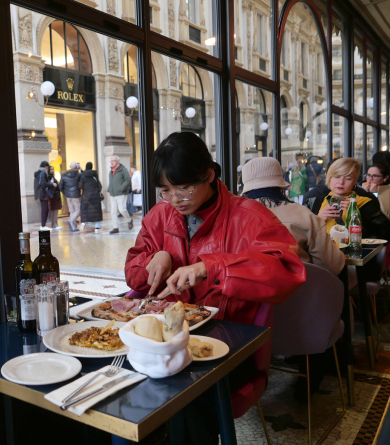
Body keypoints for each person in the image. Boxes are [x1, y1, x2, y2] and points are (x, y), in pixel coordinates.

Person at [125, 132, 305, 444]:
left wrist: (215, 266)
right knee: (120, 386)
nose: (174, 199)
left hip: (230, 344)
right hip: (168, 341)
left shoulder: (249, 216)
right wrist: (157, 256)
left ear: (208, 175)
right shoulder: (160, 216)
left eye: (183, 187)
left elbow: (286, 273)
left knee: (186, 396)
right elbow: (133, 275)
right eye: (165, 191)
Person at [243, 157, 345, 275]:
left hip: (245, 291)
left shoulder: (231, 218)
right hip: (299, 291)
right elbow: (333, 265)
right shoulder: (304, 215)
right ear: (281, 186)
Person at [304, 157, 390, 280]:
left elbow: (387, 233)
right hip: (319, 259)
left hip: (354, 263)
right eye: (336, 177)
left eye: (347, 178)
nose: (340, 182)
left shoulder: (366, 202)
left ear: (354, 182)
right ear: (329, 178)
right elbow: (302, 234)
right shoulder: (314, 202)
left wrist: (356, 214)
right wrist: (317, 219)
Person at [107, 155, 133, 234]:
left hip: (121, 193)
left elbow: (128, 179)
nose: (111, 162)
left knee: (122, 210)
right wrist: (109, 188)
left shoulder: (123, 169)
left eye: (113, 160)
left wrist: (122, 188)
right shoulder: (111, 171)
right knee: (113, 212)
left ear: (117, 161)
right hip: (113, 194)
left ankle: (129, 220)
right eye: (110, 161)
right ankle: (115, 228)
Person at [78, 162, 103, 232]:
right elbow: (99, 185)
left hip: (86, 196)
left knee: (85, 210)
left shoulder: (83, 175)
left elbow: (80, 186)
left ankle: (83, 222)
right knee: (96, 211)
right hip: (95, 195)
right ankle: (97, 227)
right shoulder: (94, 175)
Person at [58, 162, 82, 232]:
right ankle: (71, 221)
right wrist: (81, 169)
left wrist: (65, 193)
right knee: (78, 210)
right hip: (75, 195)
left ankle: (73, 227)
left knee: (72, 211)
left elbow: (60, 186)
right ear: (76, 167)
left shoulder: (64, 175)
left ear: (69, 166)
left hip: (68, 195)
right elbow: (84, 176)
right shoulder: (79, 174)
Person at [34, 161, 53, 230]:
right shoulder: (42, 173)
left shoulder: (38, 173)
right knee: (44, 209)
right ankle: (43, 226)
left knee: (45, 209)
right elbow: (43, 183)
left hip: (40, 193)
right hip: (43, 193)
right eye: (47, 167)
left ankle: (43, 225)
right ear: (45, 167)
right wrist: (51, 184)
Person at [47, 165, 62, 230]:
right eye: (51, 169)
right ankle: (54, 225)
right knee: (54, 211)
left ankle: (55, 224)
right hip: (53, 196)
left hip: (55, 195)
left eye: (53, 169)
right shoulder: (50, 178)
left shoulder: (52, 177)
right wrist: (57, 184)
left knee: (55, 211)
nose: (52, 170)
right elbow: (54, 186)